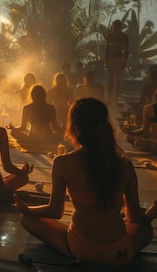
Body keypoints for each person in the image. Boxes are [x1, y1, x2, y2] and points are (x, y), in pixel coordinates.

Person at [13, 98, 156, 267]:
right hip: (120, 252)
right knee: (146, 229)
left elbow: (55, 211)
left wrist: (27, 208)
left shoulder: (64, 162)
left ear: (75, 126)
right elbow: (135, 218)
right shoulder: (124, 164)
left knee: (27, 219)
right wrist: (153, 210)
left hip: (80, 248)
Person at [105, 19, 129, 102]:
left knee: (119, 77)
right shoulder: (109, 36)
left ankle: (118, 94)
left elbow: (127, 50)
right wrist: (106, 61)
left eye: (117, 26)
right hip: (111, 58)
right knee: (110, 77)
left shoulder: (125, 37)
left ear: (120, 27)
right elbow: (107, 50)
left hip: (119, 58)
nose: (116, 28)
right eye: (115, 26)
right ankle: (109, 94)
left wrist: (125, 61)